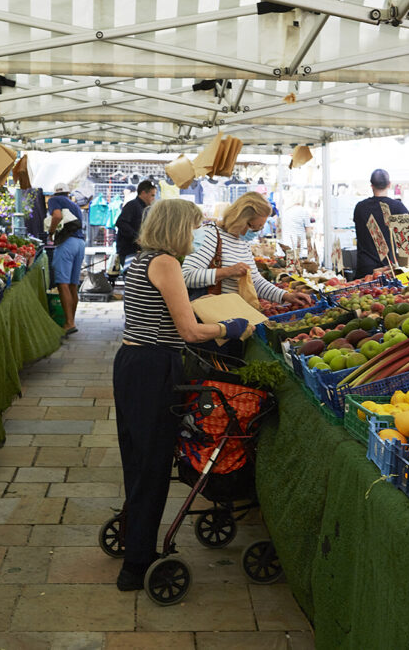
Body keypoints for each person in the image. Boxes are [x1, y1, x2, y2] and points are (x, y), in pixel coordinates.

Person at [113, 198, 252, 591]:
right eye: (191, 228)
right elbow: (189, 331)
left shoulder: (141, 260)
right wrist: (230, 327)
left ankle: (132, 540)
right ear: (178, 228)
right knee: (154, 466)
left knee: (137, 460)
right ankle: (137, 564)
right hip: (154, 367)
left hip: (131, 362)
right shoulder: (166, 263)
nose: (195, 235)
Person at [182, 192, 313, 308]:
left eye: (259, 228)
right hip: (213, 317)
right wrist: (227, 271)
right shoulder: (211, 235)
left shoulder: (242, 241)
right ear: (239, 218)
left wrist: (285, 296)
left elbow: (255, 281)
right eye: (253, 227)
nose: (255, 233)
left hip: (235, 319)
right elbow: (186, 276)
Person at [47, 183, 87, 335]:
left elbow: (56, 216)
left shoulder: (53, 200)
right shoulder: (74, 204)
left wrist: (51, 233)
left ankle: (69, 323)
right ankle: (71, 321)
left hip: (67, 243)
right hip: (80, 243)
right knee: (72, 285)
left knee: (62, 283)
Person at [353, 169, 408, 278]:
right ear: (389, 184)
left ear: (371, 185)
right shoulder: (398, 207)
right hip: (388, 268)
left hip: (365, 269)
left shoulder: (360, 207)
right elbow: (407, 238)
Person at [115, 180, 156, 273]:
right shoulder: (132, 205)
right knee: (132, 276)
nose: (154, 198)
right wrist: (137, 237)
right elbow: (121, 223)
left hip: (138, 250)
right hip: (129, 250)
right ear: (143, 193)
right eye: (152, 195)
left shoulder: (146, 208)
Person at [281, 193, 313, 258]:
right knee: (296, 262)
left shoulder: (287, 210)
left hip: (285, 241)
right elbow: (308, 231)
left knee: (288, 261)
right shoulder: (303, 211)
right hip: (297, 243)